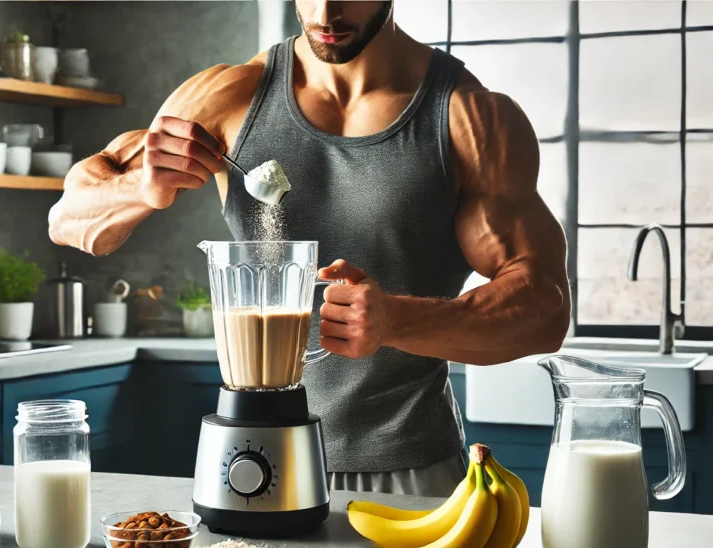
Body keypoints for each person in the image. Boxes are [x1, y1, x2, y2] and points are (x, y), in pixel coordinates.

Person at [48, 1, 570, 496]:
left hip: (410, 469)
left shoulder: (468, 117)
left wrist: (396, 320)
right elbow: (67, 219)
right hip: (251, 452)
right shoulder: (229, 96)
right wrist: (141, 189)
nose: (325, 13)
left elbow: (544, 309)